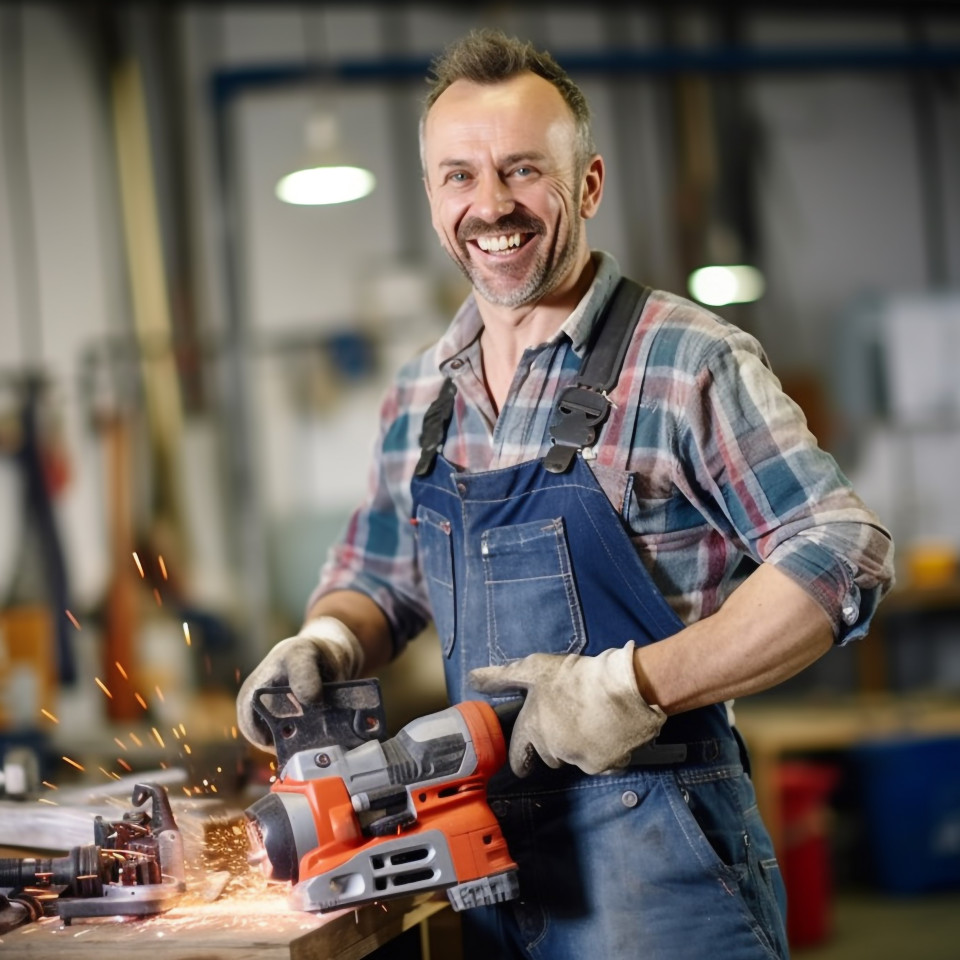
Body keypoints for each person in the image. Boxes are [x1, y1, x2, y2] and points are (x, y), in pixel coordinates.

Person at [237, 28, 894, 959]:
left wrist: (635, 684)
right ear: (432, 201)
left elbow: (844, 552)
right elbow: (380, 576)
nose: (491, 204)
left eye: (522, 171)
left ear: (585, 184)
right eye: (459, 176)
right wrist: (325, 641)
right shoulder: (422, 393)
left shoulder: (682, 362)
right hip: (484, 868)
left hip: (660, 871)